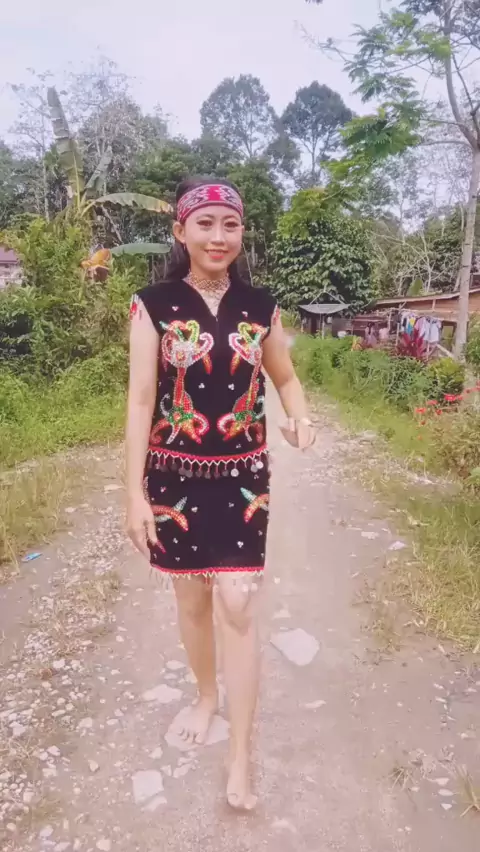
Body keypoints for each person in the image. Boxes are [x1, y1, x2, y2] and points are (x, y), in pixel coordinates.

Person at [125, 177, 315, 811]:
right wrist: (132, 495)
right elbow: (140, 402)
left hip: (243, 476)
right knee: (191, 599)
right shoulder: (152, 305)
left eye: (229, 224)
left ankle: (239, 754)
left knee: (236, 601)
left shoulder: (262, 308)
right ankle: (206, 696)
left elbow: (285, 377)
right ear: (180, 231)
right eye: (204, 223)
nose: (217, 236)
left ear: (241, 233)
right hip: (172, 476)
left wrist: (300, 415)